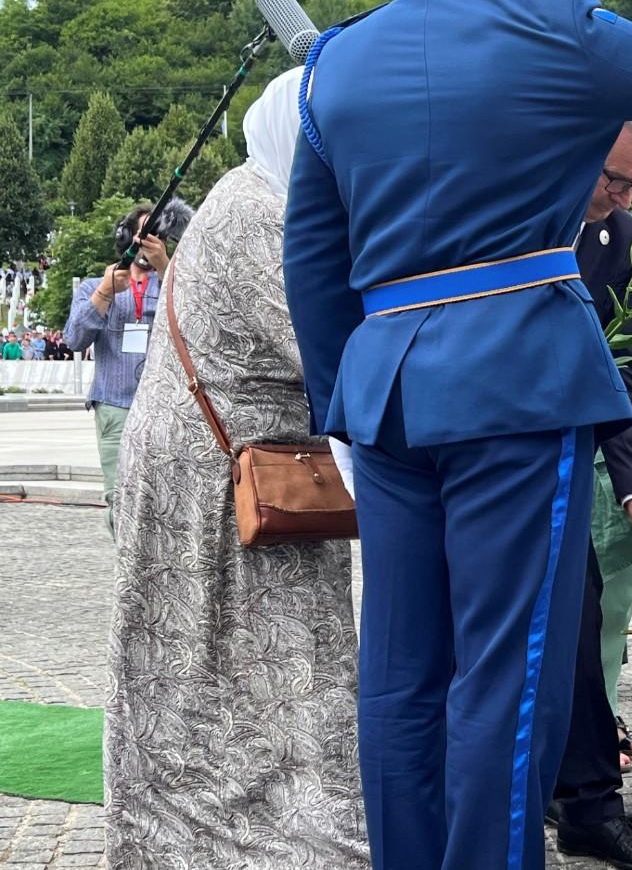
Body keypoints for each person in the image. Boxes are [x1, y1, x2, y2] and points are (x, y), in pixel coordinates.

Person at [281, 0, 632, 867]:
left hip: (386, 392)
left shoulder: (340, 58)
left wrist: (341, 408)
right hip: (513, 380)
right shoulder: (557, 23)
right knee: (506, 677)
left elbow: (312, 256)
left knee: (399, 679)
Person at [105, 68, 369, 869]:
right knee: (239, 659)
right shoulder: (260, 214)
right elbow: (333, 353)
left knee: (234, 660)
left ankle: (227, 824)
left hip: (235, 467)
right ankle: (273, 837)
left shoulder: (266, 198)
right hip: (222, 482)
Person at [552, 121, 632, 870]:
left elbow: (622, 371)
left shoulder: (623, 239)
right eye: (610, 177)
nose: (620, 195)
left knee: (583, 616)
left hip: (567, 459)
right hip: (491, 451)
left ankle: (589, 805)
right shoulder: (515, 209)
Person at [63, 203, 169, 537]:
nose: (146, 240)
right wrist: (104, 292)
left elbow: (197, 322)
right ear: (125, 237)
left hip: (163, 407)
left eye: (155, 232)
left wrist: (167, 269)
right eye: (141, 231)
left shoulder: (173, 282)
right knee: (120, 499)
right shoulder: (95, 286)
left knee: (165, 498)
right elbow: (74, 339)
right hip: (113, 405)